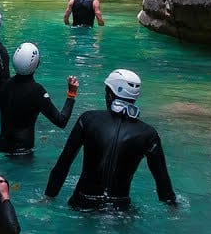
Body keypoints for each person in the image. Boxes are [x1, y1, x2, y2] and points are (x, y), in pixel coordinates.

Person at [43, 69, 177, 211]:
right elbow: (162, 180)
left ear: (109, 94)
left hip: (82, 203)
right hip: (120, 208)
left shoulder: (88, 120)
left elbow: (63, 163)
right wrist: (173, 206)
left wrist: (48, 197)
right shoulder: (148, 134)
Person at [0, 42, 79, 157]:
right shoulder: (37, 91)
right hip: (22, 152)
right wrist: (71, 94)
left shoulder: (5, 85)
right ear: (36, 64)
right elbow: (61, 121)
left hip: (1, 147)